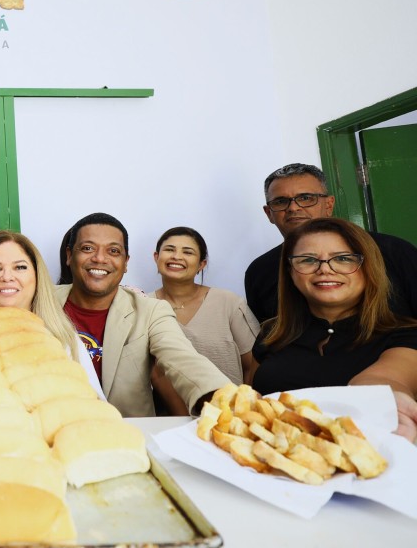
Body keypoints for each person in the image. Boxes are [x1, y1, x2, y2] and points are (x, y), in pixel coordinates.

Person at [252, 218, 417, 441]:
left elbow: (386, 377)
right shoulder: (271, 333)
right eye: (308, 260)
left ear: (368, 267)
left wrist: (384, 401)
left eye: (342, 258)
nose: (325, 269)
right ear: (291, 272)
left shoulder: (405, 333)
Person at [54, 213, 231, 417]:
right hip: (55, 428)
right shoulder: (41, 301)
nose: (100, 258)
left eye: (113, 251)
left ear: (125, 262)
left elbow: (184, 359)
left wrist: (227, 399)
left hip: (128, 431)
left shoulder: (151, 311)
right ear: (69, 255)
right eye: (88, 248)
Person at [244, 162, 417, 323]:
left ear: (328, 205)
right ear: (269, 213)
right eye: (281, 201)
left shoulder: (394, 251)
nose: (293, 208)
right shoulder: (259, 271)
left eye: (306, 198)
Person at [0, 230, 103, 397]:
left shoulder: (64, 339)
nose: (7, 277)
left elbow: (95, 403)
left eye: (20, 267)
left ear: (37, 277)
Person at [148, 226, 260, 415]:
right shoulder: (144, 306)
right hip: (171, 420)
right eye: (169, 249)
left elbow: (252, 364)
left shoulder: (228, 303)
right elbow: (156, 374)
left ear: (201, 264)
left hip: (229, 416)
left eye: (187, 252)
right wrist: (187, 419)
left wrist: (243, 411)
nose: (176, 256)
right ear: (156, 257)